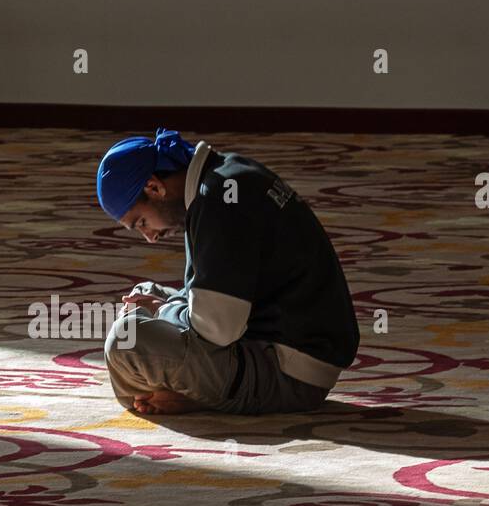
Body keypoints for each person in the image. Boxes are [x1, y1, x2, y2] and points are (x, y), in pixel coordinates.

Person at [95, 128, 359, 415]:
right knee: (145, 293)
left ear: (154, 187)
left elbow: (217, 329)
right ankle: (198, 391)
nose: (150, 237)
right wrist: (163, 305)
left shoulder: (219, 201)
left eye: (141, 222)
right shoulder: (225, 176)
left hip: (287, 372)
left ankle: (203, 396)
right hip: (280, 347)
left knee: (127, 341)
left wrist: (162, 311)